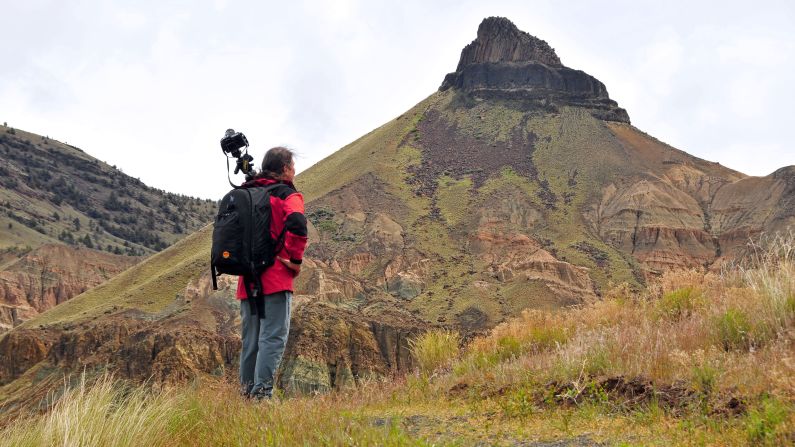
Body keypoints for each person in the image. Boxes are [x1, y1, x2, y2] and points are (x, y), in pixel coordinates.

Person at [237, 146, 307, 400]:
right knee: (273, 338)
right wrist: (294, 259)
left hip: (247, 279)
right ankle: (262, 395)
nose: (295, 170)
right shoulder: (288, 194)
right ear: (286, 169)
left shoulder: (247, 193)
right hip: (276, 277)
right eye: (292, 166)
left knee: (251, 341)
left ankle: (246, 396)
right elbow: (298, 224)